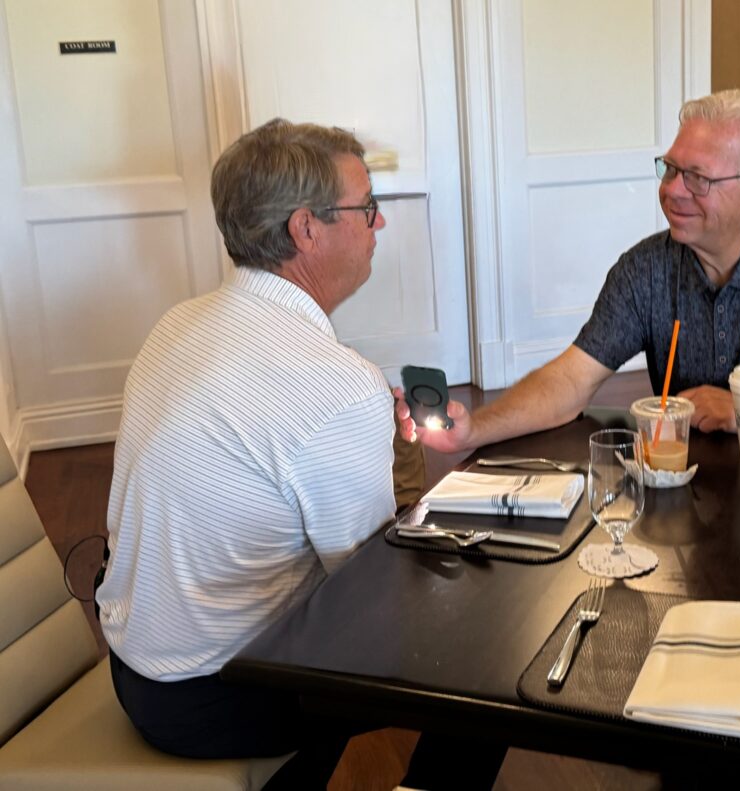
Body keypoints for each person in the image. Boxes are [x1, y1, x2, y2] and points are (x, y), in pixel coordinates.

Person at [96, 119, 499, 789]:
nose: (380, 226)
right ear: (306, 229)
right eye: (367, 207)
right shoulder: (336, 384)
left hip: (135, 665)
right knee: (489, 658)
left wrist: (371, 442)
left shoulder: (180, 322)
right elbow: (372, 593)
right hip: (212, 694)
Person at [397, 89, 740, 452]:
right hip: (686, 498)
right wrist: (473, 430)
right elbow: (569, 383)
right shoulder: (645, 270)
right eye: (670, 168)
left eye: (697, 177)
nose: (671, 190)